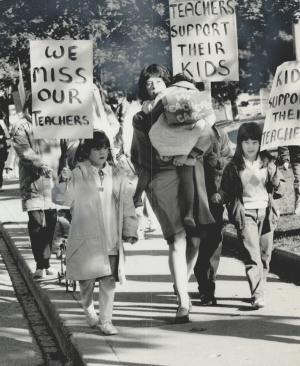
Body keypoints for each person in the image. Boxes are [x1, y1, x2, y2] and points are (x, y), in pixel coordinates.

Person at [131, 64, 216, 323]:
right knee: (177, 240)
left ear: (168, 84)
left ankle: (181, 282)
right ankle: (183, 301)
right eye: (149, 83)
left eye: (158, 81)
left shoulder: (185, 108)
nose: (154, 86)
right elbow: (141, 158)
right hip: (162, 177)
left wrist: (190, 155)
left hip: (190, 172)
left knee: (195, 241)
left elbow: (208, 134)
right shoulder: (141, 118)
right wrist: (140, 192)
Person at [55, 130, 138, 335]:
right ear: (87, 151)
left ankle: (106, 320)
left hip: (110, 236)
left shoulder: (117, 173)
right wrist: (63, 181)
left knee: (109, 279)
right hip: (87, 236)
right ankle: (88, 308)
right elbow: (63, 200)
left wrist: (130, 228)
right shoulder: (77, 173)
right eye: (97, 148)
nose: (102, 152)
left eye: (105, 147)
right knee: (87, 280)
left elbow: (126, 202)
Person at [219, 122, 281, 309]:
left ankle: (260, 287)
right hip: (245, 214)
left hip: (266, 212)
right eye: (246, 142)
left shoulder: (268, 162)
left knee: (265, 256)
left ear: (260, 143)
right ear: (240, 144)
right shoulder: (234, 166)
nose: (251, 146)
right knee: (252, 254)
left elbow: (277, 188)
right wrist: (218, 196)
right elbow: (225, 189)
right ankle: (258, 294)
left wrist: (277, 177)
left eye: (255, 142)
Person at [148, 74, 216, 229]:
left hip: (169, 144)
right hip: (191, 145)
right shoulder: (199, 96)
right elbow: (210, 121)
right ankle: (189, 212)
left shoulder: (168, 93)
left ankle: (180, 214)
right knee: (187, 177)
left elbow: (153, 115)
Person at [11, 94, 61, 278]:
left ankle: (46, 262)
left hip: (54, 180)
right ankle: (41, 264)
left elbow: (66, 144)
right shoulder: (21, 125)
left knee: (52, 222)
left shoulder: (56, 122)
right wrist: (41, 165)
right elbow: (24, 151)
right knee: (37, 222)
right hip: (33, 182)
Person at [194, 123, 233, 305]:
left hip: (214, 198)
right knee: (197, 245)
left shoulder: (219, 134)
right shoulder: (185, 133)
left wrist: (215, 162)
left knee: (213, 245)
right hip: (193, 199)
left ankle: (209, 287)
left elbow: (229, 160)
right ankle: (204, 287)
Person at [0, 116, 10, 189]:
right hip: (2, 146)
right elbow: (7, 135)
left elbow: (7, 135)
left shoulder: (1, 122)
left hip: (1, 146)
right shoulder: (2, 122)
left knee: (1, 165)